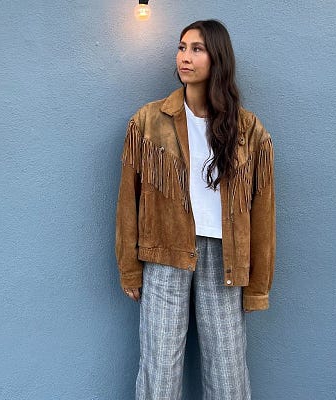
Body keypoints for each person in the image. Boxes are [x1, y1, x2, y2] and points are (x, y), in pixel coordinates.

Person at [115, 19, 275, 400]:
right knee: (159, 370)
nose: (184, 57)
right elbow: (127, 201)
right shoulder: (148, 121)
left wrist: (257, 287)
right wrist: (129, 268)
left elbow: (263, 211)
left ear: (217, 58)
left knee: (228, 372)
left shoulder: (248, 130)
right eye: (182, 47)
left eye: (196, 49)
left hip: (225, 259)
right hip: (164, 253)